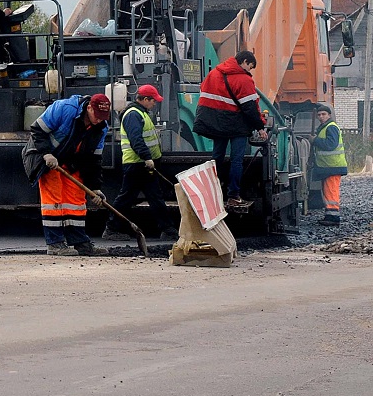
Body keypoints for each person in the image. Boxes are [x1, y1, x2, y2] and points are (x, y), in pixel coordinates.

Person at [21, 93, 112, 256]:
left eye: (103, 117)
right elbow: (37, 130)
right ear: (89, 107)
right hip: (47, 158)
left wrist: (95, 188)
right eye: (97, 116)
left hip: (71, 162)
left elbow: (94, 160)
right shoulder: (64, 108)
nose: (99, 120)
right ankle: (55, 244)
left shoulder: (101, 128)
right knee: (53, 200)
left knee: (76, 200)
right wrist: (47, 154)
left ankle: (80, 243)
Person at [102, 85, 178, 241]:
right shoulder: (133, 115)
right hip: (138, 164)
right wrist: (147, 157)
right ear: (144, 99)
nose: (154, 104)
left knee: (150, 197)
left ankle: (168, 229)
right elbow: (136, 139)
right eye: (153, 100)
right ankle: (111, 228)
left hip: (141, 164)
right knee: (128, 198)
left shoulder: (139, 113)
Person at [193, 50, 267, 209]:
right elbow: (250, 108)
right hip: (236, 126)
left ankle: (212, 193)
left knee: (216, 157)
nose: (249, 71)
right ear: (245, 62)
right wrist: (260, 127)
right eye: (250, 67)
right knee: (236, 160)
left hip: (215, 124)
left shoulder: (213, 74)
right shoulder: (243, 79)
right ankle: (233, 195)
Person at [311, 104, 347, 225]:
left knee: (331, 191)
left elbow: (330, 145)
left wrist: (315, 140)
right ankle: (329, 215)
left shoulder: (331, 127)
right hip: (328, 166)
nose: (321, 117)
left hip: (333, 166)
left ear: (329, 115)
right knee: (327, 191)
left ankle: (334, 217)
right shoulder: (325, 127)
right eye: (319, 115)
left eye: (323, 114)